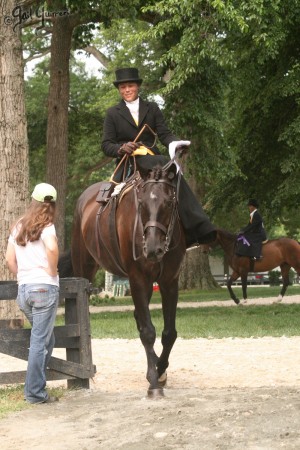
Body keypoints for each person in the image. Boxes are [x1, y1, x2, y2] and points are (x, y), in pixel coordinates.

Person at [102, 67, 216, 247]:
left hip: (152, 159)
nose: (127, 90)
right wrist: (122, 147)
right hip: (129, 163)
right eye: (123, 88)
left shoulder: (152, 108)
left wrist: (177, 143)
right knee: (164, 162)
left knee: (171, 172)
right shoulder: (112, 113)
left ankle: (194, 227)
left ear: (137, 87)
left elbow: (164, 134)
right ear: (119, 90)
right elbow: (106, 145)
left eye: (130, 86)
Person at [5, 183, 59, 404]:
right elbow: (53, 249)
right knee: (40, 341)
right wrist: (51, 271)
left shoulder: (18, 226)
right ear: (52, 204)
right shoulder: (48, 226)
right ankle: (35, 394)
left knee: (47, 340)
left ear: (33, 201)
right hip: (44, 288)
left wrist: (23, 276)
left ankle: (35, 386)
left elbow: (9, 260)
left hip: (25, 291)